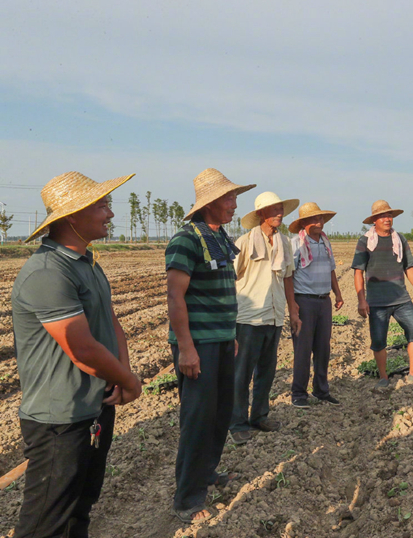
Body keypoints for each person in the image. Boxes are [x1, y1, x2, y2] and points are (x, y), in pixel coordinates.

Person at [11, 171, 142, 538]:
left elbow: (111, 322)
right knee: (45, 523)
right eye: (102, 205)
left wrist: (122, 374)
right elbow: (81, 348)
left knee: (79, 510)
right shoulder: (48, 272)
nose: (110, 214)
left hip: (95, 405)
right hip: (60, 417)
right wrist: (128, 380)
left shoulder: (88, 264)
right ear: (73, 215)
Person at [166, 168, 255, 523]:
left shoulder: (219, 238)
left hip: (220, 340)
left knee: (220, 413)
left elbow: (224, 293)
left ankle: (206, 474)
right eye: (230, 199)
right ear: (210, 204)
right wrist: (186, 347)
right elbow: (175, 295)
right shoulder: (185, 240)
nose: (235, 205)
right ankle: (187, 498)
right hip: (198, 345)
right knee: (198, 419)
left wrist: (229, 333)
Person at [229, 191, 301, 444]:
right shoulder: (244, 243)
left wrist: (293, 310)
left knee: (267, 372)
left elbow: (288, 277)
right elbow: (231, 278)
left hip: (274, 316)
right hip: (249, 317)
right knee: (241, 373)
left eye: (281, 209)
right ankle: (237, 423)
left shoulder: (285, 242)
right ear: (261, 214)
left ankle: (259, 416)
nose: (279, 213)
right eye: (274, 210)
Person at [352, 200, 413, 388]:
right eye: (382, 216)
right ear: (374, 220)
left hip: (401, 299)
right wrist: (361, 300)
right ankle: (383, 377)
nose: (387, 219)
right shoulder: (365, 241)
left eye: (389, 216)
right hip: (377, 302)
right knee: (379, 341)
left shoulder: (400, 240)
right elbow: (358, 273)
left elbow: (409, 267)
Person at [289, 202, 344, 408]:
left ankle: (321, 390)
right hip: (304, 301)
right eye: (314, 219)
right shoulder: (296, 244)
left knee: (323, 349)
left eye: (321, 219)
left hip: (323, 301)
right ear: (304, 223)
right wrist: (292, 304)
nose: (319, 222)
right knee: (302, 349)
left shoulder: (325, 243)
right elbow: (289, 275)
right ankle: (298, 394)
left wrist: (337, 293)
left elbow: (331, 270)